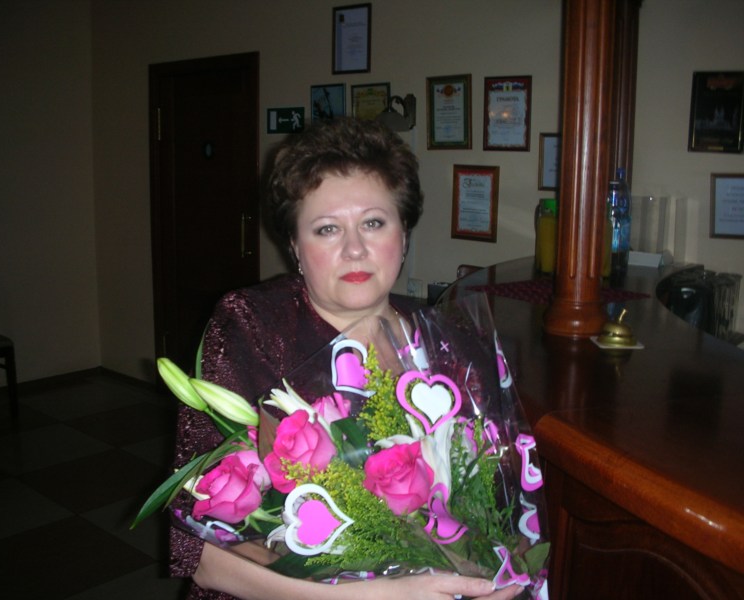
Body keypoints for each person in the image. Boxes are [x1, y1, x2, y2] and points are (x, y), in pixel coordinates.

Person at [169, 117, 521, 600]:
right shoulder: (252, 328)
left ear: (404, 233)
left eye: (373, 223)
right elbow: (202, 556)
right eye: (327, 229)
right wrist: (378, 595)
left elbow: (501, 501)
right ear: (294, 245)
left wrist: (496, 574)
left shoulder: (453, 341)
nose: (354, 249)